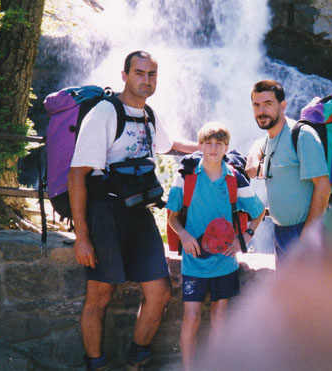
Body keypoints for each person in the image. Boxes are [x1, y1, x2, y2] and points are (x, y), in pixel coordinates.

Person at [68, 50, 199, 370]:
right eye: (139, 73)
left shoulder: (148, 115)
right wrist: (82, 237)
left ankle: (135, 360)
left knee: (160, 292)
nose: (146, 80)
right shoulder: (104, 113)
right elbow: (76, 175)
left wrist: (209, 146)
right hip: (105, 213)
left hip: (139, 211)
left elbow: (169, 145)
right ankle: (95, 364)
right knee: (100, 294)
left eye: (151, 74)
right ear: (125, 75)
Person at [166, 121, 265, 371]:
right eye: (208, 143)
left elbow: (258, 212)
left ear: (226, 147)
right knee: (191, 317)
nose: (213, 148)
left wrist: (245, 238)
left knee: (220, 316)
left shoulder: (234, 179)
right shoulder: (186, 177)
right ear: (200, 146)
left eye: (219, 144)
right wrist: (184, 235)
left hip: (224, 261)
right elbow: (172, 217)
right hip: (194, 260)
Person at [245, 80, 331, 267]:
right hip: (280, 232)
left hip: (302, 232)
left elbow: (323, 186)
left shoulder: (302, 135)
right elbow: (261, 143)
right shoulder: (270, 137)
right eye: (256, 105)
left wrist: (308, 234)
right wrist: (253, 153)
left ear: (282, 106)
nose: (261, 111)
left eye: (268, 104)